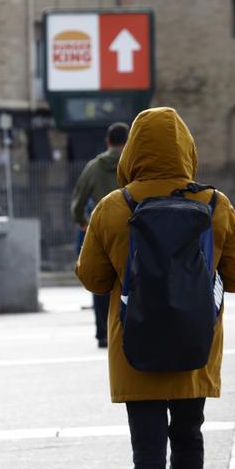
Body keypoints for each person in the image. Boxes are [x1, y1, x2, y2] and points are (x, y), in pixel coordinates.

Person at [75, 107, 235, 469]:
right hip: (195, 345)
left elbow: (93, 280)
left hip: (136, 348)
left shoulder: (115, 206)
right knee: (189, 438)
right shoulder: (215, 204)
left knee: (147, 450)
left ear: (133, 150)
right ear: (187, 149)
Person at [71, 122, 129, 348]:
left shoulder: (94, 167)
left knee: (100, 283)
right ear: (127, 142)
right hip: (129, 232)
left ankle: (103, 333)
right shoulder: (132, 165)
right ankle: (126, 328)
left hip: (101, 232)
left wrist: (83, 223)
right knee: (129, 281)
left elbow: (77, 202)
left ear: (107, 141)